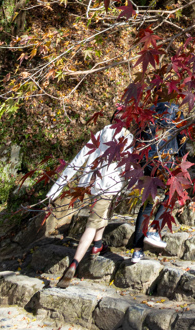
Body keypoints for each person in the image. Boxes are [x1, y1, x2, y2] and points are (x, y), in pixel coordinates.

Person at [48, 119, 133, 288]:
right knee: (92, 223)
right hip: (109, 185)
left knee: (100, 213)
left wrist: (55, 189)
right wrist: (128, 186)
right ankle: (74, 263)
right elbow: (127, 167)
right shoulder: (127, 136)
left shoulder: (100, 133)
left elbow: (78, 159)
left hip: (92, 183)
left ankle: (98, 244)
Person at [131, 99, 189, 262]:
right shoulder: (177, 113)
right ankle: (155, 230)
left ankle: (137, 250)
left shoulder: (149, 110)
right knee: (173, 193)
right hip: (166, 162)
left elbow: (138, 138)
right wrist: (181, 163)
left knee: (147, 204)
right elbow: (181, 143)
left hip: (148, 162)